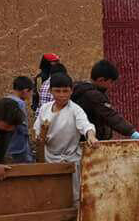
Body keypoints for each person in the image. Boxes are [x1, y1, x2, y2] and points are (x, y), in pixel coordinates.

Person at [34, 73, 98, 204]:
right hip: (49, 158)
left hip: (70, 160)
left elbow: (86, 125)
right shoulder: (45, 109)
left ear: (71, 91)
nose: (62, 95)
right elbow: (37, 129)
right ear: (51, 91)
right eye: (57, 91)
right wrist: (39, 138)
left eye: (65, 91)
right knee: (51, 195)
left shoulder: (75, 110)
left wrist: (91, 136)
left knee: (73, 197)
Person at [72, 60, 139, 143]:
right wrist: (135, 134)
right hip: (90, 143)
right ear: (101, 80)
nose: (111, 86)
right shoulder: (94, 95)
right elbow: (111, 117)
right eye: (111, 82)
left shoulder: (80, 90)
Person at [6, 76, 35, 163]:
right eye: (31, 92)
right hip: (19, 145)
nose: (31, 95)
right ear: (25, 91)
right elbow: (22, 126)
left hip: (8, 144)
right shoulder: (20, 104)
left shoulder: (7, 99)